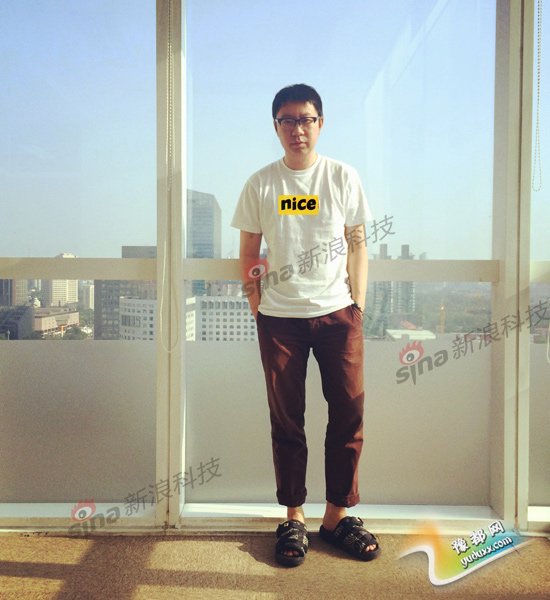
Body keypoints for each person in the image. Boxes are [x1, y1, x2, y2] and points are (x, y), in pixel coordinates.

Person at [231, 83, 380, 567]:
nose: (298, 129)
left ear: (321, 124)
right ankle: (293, 516)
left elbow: (357, 242)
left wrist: (358, 304)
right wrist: (257, 304)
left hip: (339, 315)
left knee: (349, 412)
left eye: (307, 119)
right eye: (288, 120)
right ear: (276, 126)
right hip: (281, 320)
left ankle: (336, 516)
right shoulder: (261, 183)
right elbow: (249, 251)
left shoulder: (341, 176)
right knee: (287, 420)